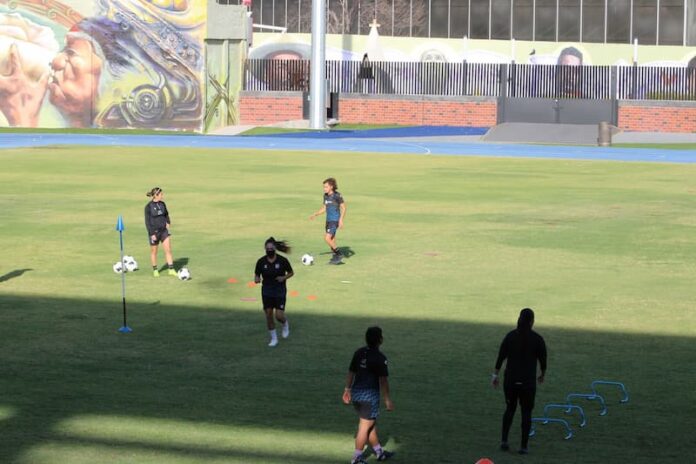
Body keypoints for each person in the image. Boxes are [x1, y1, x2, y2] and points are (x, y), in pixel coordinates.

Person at [492, 308, 547, 455]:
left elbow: (501, 356)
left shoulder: (510, 336)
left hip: (510, 380)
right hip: (528, 383)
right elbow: (543, 360)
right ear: (532, 321)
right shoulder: (537, 339)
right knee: (526, 412)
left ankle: (504, 441)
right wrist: (542, 374)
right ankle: (523, 446)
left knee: (510, 408)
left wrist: (495, 375)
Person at [342, 326, 395, 464]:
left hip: (356, 394)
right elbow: (383, 381)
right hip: (369, 396)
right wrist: (387, 400)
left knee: (370, 424)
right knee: (365, 426)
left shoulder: (359, 352)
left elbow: (351, 372)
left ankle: (379, 452)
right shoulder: (380, 358)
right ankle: (356, 458)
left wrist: (347, 390)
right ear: (380, 340)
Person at [254, 237, 294, 347]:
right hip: (266, 291)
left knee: (279, 316)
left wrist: (283, 277)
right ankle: (274, 339)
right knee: (269, 315)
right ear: (265, 249)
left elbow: (291, 272)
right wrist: (256, 279)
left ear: (275, 249)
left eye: (271, 248)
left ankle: (285, 324)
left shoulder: (282, 260)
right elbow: (257, 274)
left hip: (279, 291)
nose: (269, 250)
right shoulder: (261, 262)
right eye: (267, 248)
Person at [309, 177, 346, 264]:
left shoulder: (337, 196)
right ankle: (336, 257)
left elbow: (344, 208)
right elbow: (325, 208)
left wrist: (341, 220)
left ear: (331, 187)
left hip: (335, 220)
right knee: (332, 239)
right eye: (323, 187)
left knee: (327, 238)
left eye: (326, 187)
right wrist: (316, 214)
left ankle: (339, 254)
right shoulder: (325, 196)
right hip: (328, 221)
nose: (324, 188)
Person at [144, 187, 176, 277]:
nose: (163, 195)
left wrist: (168, 222)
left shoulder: (162, 204)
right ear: (156, 195)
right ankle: (155, 270)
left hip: (164, 231)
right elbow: (147, 222)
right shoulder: (148, 207)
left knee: (168, 250)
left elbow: (166, 214)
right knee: (154, 252)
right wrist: (152, 234)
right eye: (161, 194)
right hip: (154, 233)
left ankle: (171, 269)